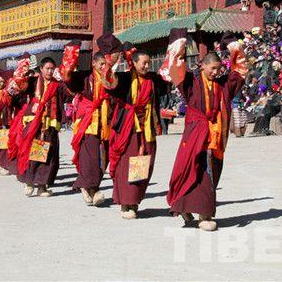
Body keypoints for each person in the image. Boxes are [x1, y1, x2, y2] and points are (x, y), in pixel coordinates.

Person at [166, 30, 246, 231]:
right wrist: (179, 41)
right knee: (192, 171)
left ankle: (198, 210)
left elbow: (240, 71)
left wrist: (233, 47)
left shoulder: (222, 85)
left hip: (215, 138)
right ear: (202, 65)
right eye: (212, 69)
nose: (216, 73)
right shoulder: (190, 83)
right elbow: (175, 68)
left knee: (211, 176)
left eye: (219, 69)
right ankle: (203, 215)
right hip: (195, 136)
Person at [101, 46, 169, 220]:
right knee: (126, 166)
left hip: (147, 129)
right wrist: (112, 62)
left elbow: (170, 78)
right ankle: (125, 202)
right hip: (128, 129)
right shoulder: (124, 78)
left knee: (146, 165)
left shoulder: (153, 79)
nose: (147, 66)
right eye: (144, 63)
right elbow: (109, 83)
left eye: (148, 63)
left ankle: (135, 201)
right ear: (135, 63)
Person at [63, 34, 122, 207]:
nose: (104, 66)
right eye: (101, 64)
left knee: (103, 159)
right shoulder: (85, 78)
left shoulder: (109, 78)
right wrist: (71, 55)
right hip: (88, 123)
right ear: (94, 64)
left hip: (105, 123)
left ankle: (87, 186)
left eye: (106, 63)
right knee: (90, 158)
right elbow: (68, 79)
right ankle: (93, 189)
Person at [13, 57, 68, 197]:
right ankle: (30, 182)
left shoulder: (58, 85)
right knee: (33, 153)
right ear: (41, 69)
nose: (49, 71)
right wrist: (22, 71)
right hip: (34, 124)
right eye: (47, 68)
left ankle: (42, 187)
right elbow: (20, 87)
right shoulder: (33, 82)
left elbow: (67, 95)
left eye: (52, 68)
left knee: (48, 156)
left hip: (50, 124)